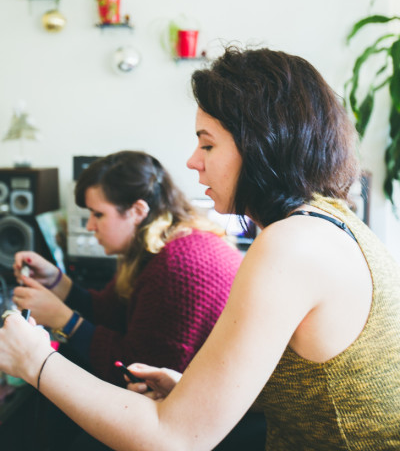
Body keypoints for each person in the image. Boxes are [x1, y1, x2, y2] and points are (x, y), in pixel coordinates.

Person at [1, 46, 400, 451]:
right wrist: (193, 391)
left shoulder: (290, 245)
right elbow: (313, 387)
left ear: (263, 146)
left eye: (207, 145)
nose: (192, 161)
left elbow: (173, 440)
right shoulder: (331, 221)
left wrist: (36, 361)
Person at [11, 150, 246, 450]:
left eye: (98, 214)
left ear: (137, 210)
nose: (90, 227)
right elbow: (109, 312)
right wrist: (57, 282)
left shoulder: (181, 265)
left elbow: (136, 371)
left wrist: (65, 321)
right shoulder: (155, 246)